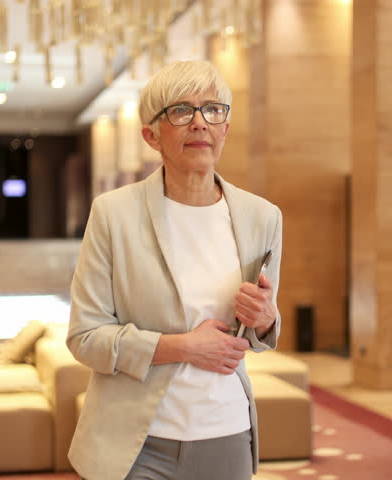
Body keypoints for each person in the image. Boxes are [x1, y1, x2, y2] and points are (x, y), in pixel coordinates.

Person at [66, 60, 283, 480]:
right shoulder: (113, 214)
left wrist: (266, 319)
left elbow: (258, 330)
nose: (200, 122)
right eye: (181, 110)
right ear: (151, 135)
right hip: (136, 442)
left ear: (225, 128)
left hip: (227, 432)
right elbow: (85, 338)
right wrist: (183, 347)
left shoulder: (262, 217)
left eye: (213, 109)